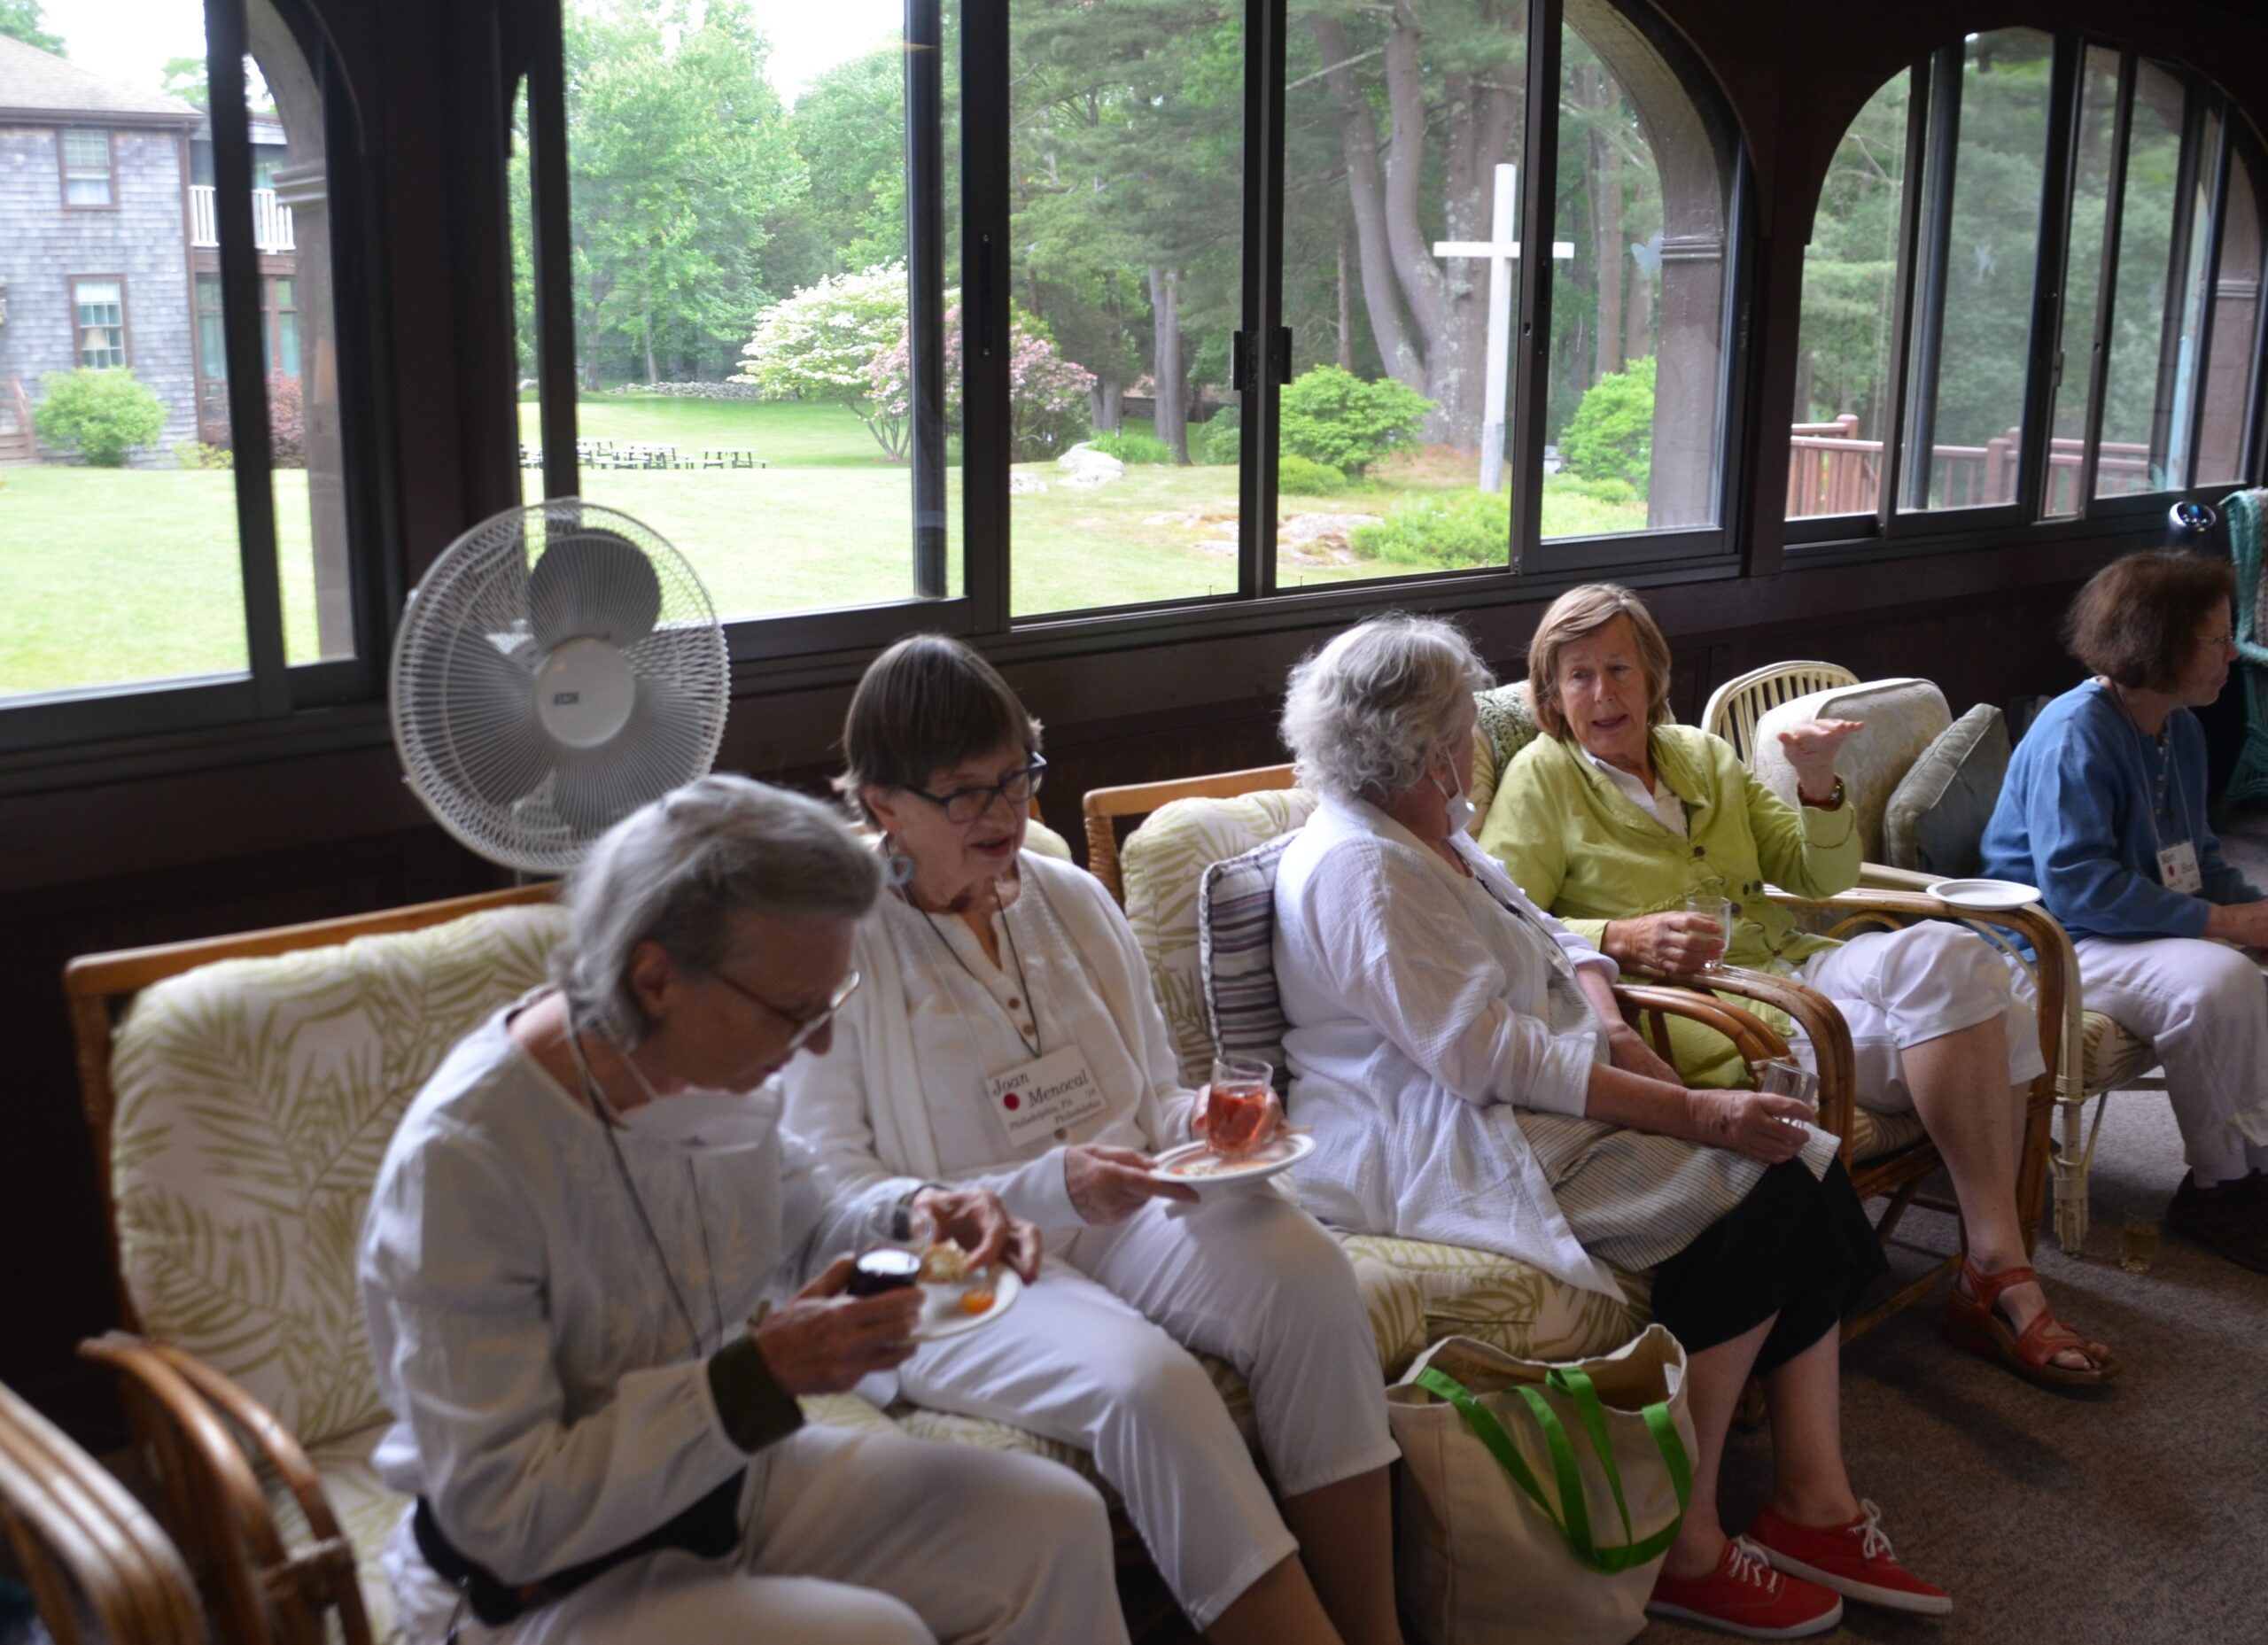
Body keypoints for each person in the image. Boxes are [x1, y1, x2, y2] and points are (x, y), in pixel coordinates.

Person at [1274, 613, 1948, 1641]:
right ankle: (1688, 1542)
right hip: (1443, 1137)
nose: (1477, 748)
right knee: (1778, 1186)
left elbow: (1545, 934)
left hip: (1535, 1099)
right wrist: (1690, 1107)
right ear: (1427, 747)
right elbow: (1479, 1056)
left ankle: (1810, 1501)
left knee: (1796, 1169)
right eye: (1465, 726)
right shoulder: (1360, 867)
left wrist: (1607, 1021)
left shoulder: (1432, 833)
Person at [360, 776, 1124, 1645]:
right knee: (872, 1636)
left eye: (828, 1004)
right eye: (796, 1013)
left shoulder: (700, 1066)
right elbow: (506, 1509)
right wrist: (755, 1380)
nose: (821, 1044)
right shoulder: (467, 1166)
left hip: (715, 1479)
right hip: (534, 1583)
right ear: (654, 978)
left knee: (1049, 1523)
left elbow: (810, 1225)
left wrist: (920, 1214)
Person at [781, 634, 1403, 1645]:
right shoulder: (834, 940)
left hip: (1121, 1208)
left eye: (1016, 777)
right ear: (882, 805)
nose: (1004, 814)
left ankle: (1376, 1628)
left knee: (1307, 1274)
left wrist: (1206, 1126)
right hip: (950, 1261)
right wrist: (1049, 1186)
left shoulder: (1067, 897)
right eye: (963, 794)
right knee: (1143, 1382)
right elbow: (832, 1201)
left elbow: (1150, 1098)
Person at [1480, 583, 2116, 1393]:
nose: (1603, 693)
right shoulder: (1543, 778)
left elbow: (1820, 873)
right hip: (1716, 1014)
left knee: (1952, 958)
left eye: (1619, 668)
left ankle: (1991, 1264)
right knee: (1977, 1015)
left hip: (1795, 962)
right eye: (1577, 676)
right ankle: (2002, 1276)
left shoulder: (1701, 756)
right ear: (1550, 694)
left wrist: (1817, 784)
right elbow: (1510, 918)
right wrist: (1621, 937)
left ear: (1652, 677)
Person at [1981, 548, 2268, 1273]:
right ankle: (2220, 1190)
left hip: (2125, 931)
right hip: (2048, 938)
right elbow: (2080, 887)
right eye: (2214, 638)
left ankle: (2253, 1169)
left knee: (2236, 963)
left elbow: (2199, 860)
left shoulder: (2181, 728)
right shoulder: (2075, 732)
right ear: (2160, 642)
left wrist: (2256, 908)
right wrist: (2228, 926)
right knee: (2216, 981)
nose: (2230, 652)